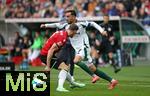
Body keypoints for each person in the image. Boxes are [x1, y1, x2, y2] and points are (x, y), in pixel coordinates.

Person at [41, 9, 118, 90]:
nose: (66, 18)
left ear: (73, 17)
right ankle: (112, 80)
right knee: (93, 68)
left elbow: (92, 23)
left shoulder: (81, 24)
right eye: (66, 16)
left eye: (68, 16)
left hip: (83, 47)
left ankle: (94, 76)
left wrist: (102, 31)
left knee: (76, 61)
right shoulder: (66, 25)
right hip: (78, 50)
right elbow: (56, 25)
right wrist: (46, 25)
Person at [40, 24, 85, 92]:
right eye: (75, 33)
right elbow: (50, 50)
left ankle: (72, 83)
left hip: (48, 54)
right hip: (46, 55)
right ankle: (60, 87)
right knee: (65, 68)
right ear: (72, 31)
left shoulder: (62, 33)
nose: (74, 35)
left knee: (66, 67)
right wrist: (48, 66)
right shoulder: (63, 37)